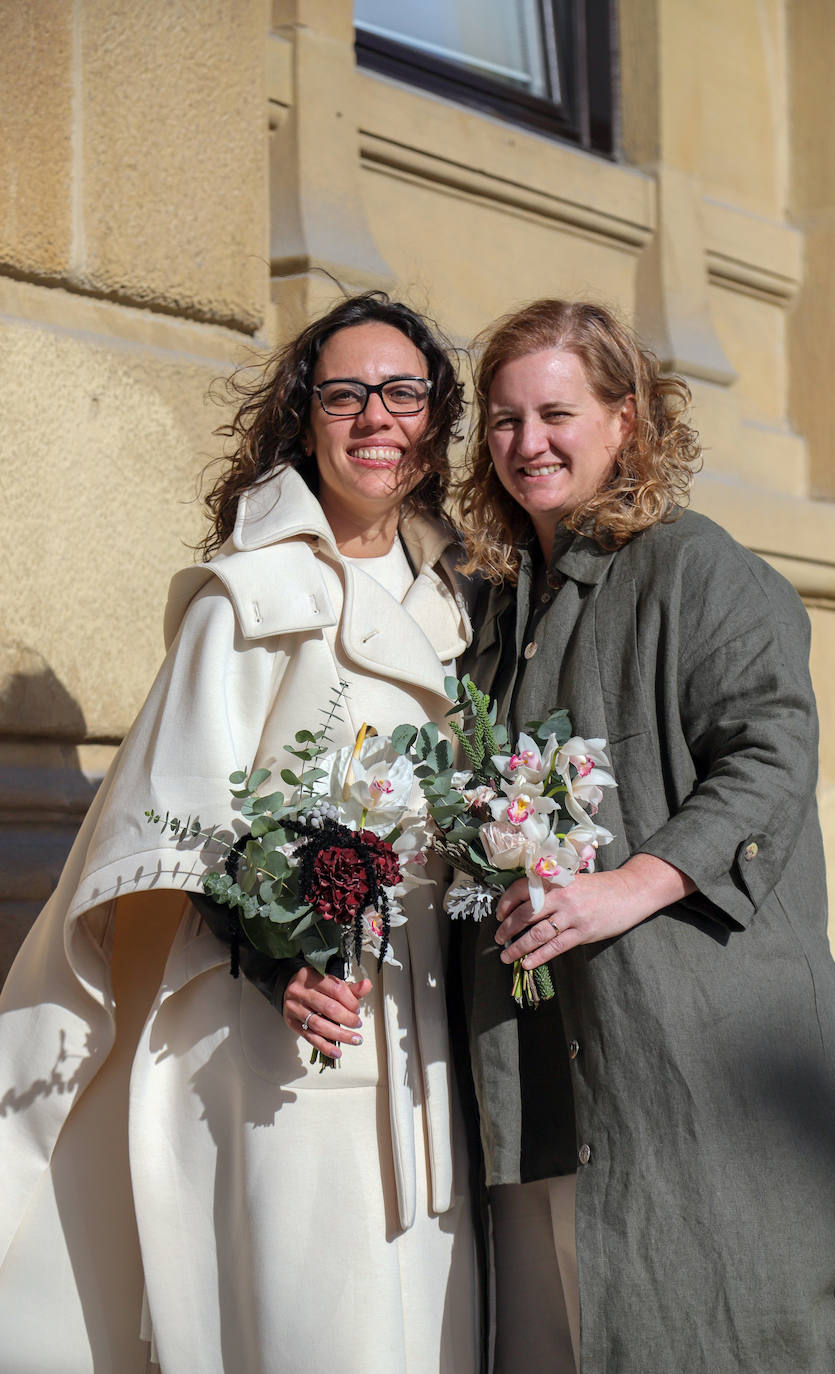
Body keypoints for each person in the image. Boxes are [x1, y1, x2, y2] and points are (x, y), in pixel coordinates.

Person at [0, 292, 479, 1374]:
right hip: (287, 1026)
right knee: (322, 1315)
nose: (374, 419)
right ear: (305, 417)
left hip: (431, 1022)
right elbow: (172, 822)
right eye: (344, 394)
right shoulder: (249, 596)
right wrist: (281, 966)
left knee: (426, 1320)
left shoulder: (454, 601)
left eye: (402, 394)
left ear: (433, 420)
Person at [454, 298, 835, 1374]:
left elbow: (769, 756)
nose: (528, 443)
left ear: (626, 419)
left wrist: (632, 883)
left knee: (753, 1316)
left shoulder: (696, 568)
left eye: (556, 412)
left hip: (706, 1032)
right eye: (505, 419)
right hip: (553, 1040)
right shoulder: (495, 605)